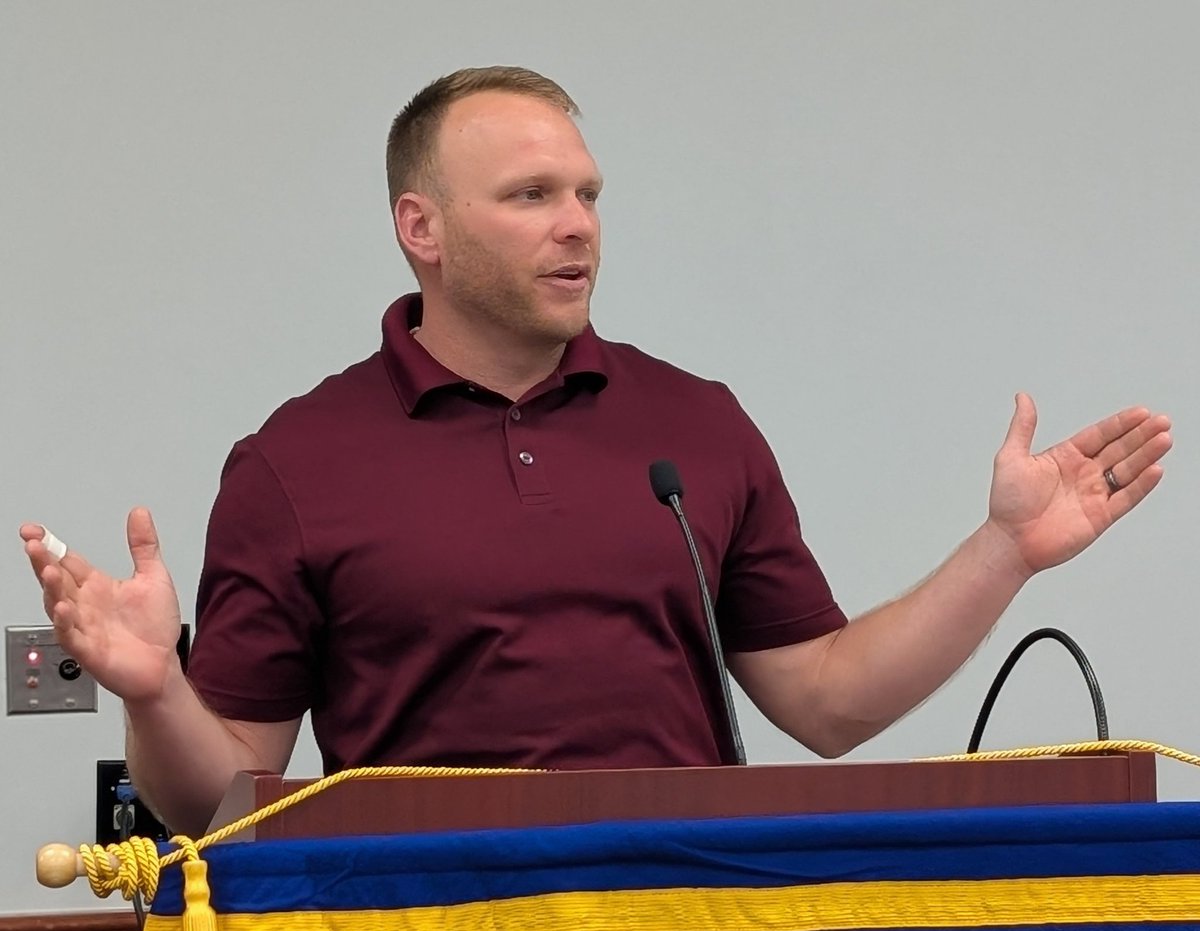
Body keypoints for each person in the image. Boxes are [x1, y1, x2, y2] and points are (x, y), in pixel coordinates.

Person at [21, 67, 1172, 838]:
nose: (578, 222)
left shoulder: (696, 425)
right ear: (421, 228)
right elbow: (220, 800)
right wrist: (155, 690)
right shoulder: (294, 462)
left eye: (587, 193)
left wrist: (1006, 551)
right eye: (531, 195)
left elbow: (826, 704)